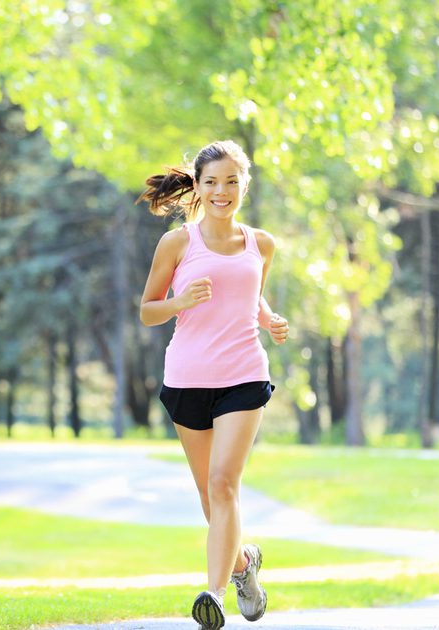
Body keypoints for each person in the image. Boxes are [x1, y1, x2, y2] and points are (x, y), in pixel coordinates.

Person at [137, 140, 289, 630]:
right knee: (209, 495)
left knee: (225, 483)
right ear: (198, 188)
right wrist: (179, 303)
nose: (222, 191)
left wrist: (270, 320)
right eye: (212, 182)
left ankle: (215, 595)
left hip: (244, 375)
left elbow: (251, 296)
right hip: (187, 378)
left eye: (231, 181)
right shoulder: (178, 244)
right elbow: (147, 311)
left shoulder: (260, 244)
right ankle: (244, 566)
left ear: (244, 184)